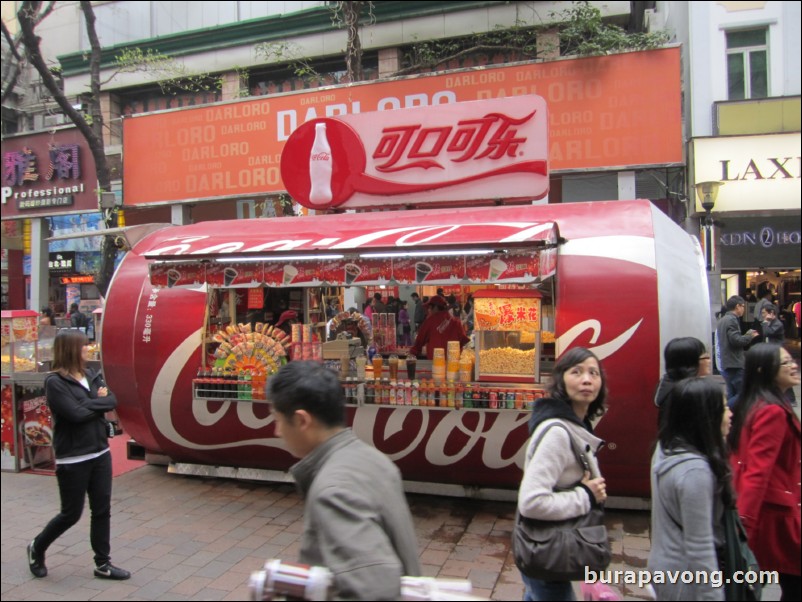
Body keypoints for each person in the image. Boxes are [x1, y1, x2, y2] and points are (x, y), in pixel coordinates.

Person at [266, 361, 421, 599]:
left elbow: (374, 590)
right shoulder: (373, 459)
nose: (276, 432)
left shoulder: (334, 490)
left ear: (301, 421)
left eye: (277, 419)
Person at [27, 330, 130, 581]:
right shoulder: (55, 382)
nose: (88, 349)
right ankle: (37, 547)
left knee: (102, 510)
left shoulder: (92, 375)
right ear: (71, 349)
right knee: (71, 514)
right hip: (73, 457)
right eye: (84, 346)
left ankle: (102, 563)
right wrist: (96, 404)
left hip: (100, 452)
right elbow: (74, 415)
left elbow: (112, 401)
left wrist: (88, 405)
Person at [518, 347, 608, 601]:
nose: (587, 379)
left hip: (555, 547)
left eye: (594, 373)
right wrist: (586, 496)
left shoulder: (576, 424)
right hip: (549, 551)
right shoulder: (557, 433)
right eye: (576, 372)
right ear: (561, 380)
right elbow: (531, 502)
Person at [648, 377, 733, 601]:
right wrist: (713, 596)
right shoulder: (695, 472)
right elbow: (700, 546)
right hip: (685, 579)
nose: (730, 413)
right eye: (724, 407)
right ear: (705, 416)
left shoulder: (667, 448)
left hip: (665, 566)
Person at [728, 344, 801, 601]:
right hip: (775, 515)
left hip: (769, 511)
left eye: (792, 360)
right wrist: (744, 523)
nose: (793, 365)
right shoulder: (772, 411)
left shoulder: (756, 404)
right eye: (785, 363)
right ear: (764, 371)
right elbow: (757, 471)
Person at [654, 337, 711, 426]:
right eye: (705, 357)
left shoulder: (669, 388)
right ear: (690, 364)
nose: (709, 361)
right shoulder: (687, 394)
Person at [715, 295, 759, 405]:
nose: (744, 309)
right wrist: (749, 335)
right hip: (734, 363)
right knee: (744, 393)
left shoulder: (723, 319)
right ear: (737, 306)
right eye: (743, 306)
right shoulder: (731, 320)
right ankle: (724, 412)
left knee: (732, 393)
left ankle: (731, 418)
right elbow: (736, 341)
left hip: (727, 362)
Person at [408, 295, 469, 360]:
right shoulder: (456, 322)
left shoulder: (430, 321)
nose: (429, 310)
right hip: (453, 364)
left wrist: (412, 353)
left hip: (435, 363)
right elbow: (463, 341)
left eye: (430, 307)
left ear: (436, 307)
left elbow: (419, 342)